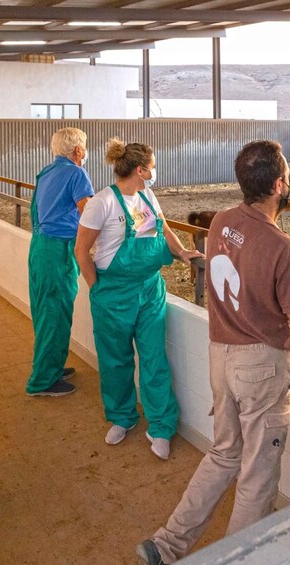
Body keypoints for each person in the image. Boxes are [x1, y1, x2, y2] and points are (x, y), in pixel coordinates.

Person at [136, 140, 290, 565]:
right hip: (260, 366)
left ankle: (166, 544)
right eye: (286, 178)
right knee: (258, 474)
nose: (288, 185)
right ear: (277, 185)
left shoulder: (222, 223)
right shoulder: (282, 248)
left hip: (221, 353)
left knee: (223, 453)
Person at [74, 138, 201, 458]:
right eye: (153, 167)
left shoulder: (146, 195)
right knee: (115, 360)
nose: (155, 172)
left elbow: (162, 230)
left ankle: (160, 426)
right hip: (113, 293)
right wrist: (97, 288)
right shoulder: (102, 203)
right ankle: (122, 417)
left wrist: (182, 251)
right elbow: (81, 251)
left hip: (149, 289)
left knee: (154, 357)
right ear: (141, 169)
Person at [26, 127, 94, 397]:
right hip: (59, 250)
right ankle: (42, 381)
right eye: (85, 147)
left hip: (41, 246)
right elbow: (87, 212)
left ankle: (51, 366)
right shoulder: (76, 173)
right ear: (78, 151)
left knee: (45, 311)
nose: (85, 152)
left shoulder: (46, 172)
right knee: (55, 313)